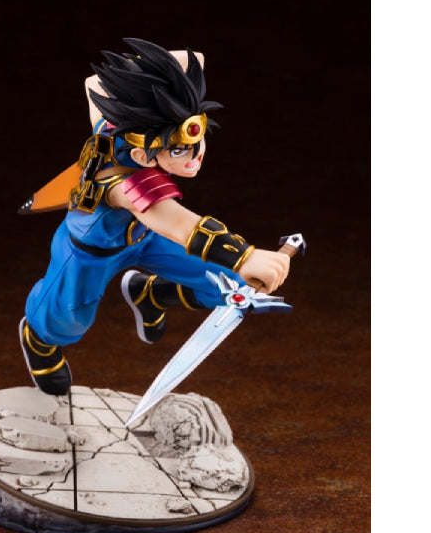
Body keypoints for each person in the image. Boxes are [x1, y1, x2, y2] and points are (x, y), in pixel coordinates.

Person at [18, 38, 290, 396]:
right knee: (67, 322)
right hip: (92, 251)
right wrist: (244, 255)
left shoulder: (120, 121)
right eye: (178, 150)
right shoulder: (120, 180)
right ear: (142, 156)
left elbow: (98, 82)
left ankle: (151, 293)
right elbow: (175, 222)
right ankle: (37, 341)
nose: (194, 157)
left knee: (231, 286)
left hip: (145, 239)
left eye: (197, 138)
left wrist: (158, 80)